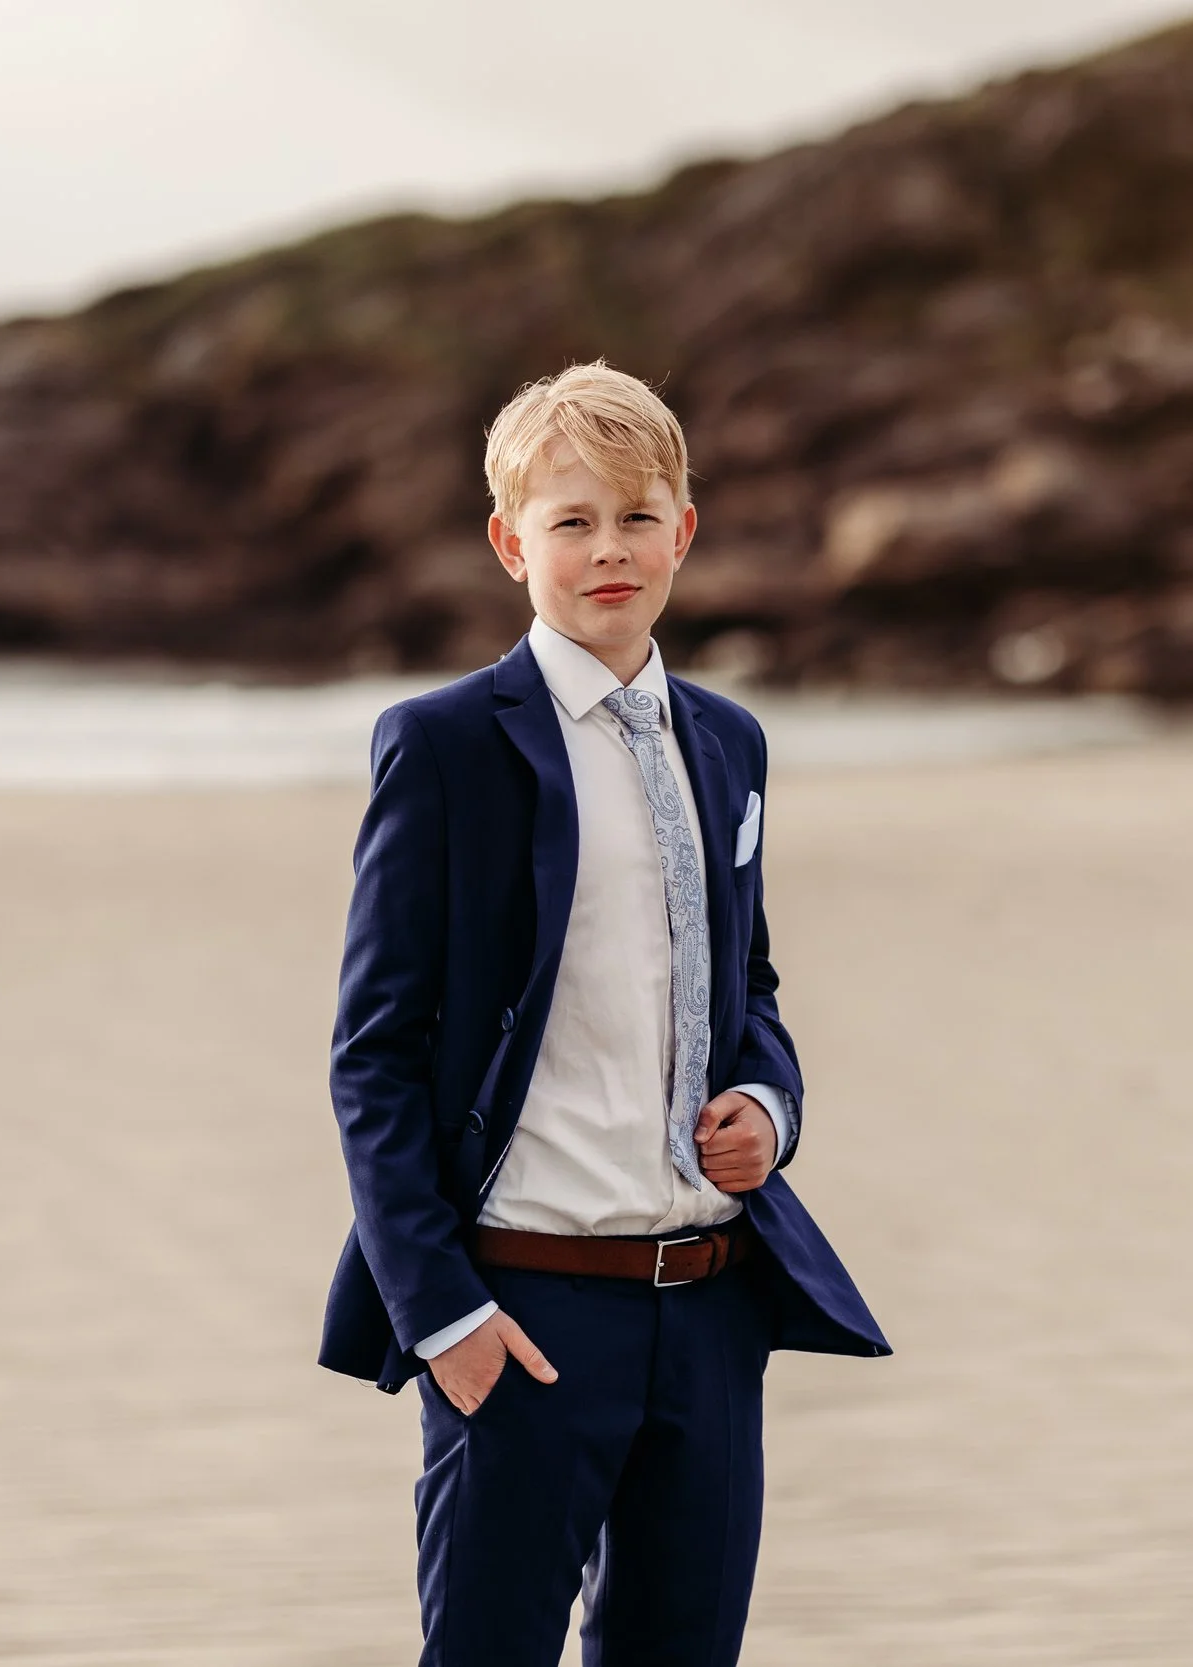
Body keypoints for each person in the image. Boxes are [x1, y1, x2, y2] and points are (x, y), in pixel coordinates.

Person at [317, 362, 888, 1666]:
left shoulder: (728, 742)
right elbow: (375, 1055)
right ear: (509, 543)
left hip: (709, 1306)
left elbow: (748, 983)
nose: (609, 549)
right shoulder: (445, 746)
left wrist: (770, 1106)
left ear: (685, 529)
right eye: (571, 521)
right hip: (523, 1310)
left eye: (637, 516)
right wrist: (445, 1319)